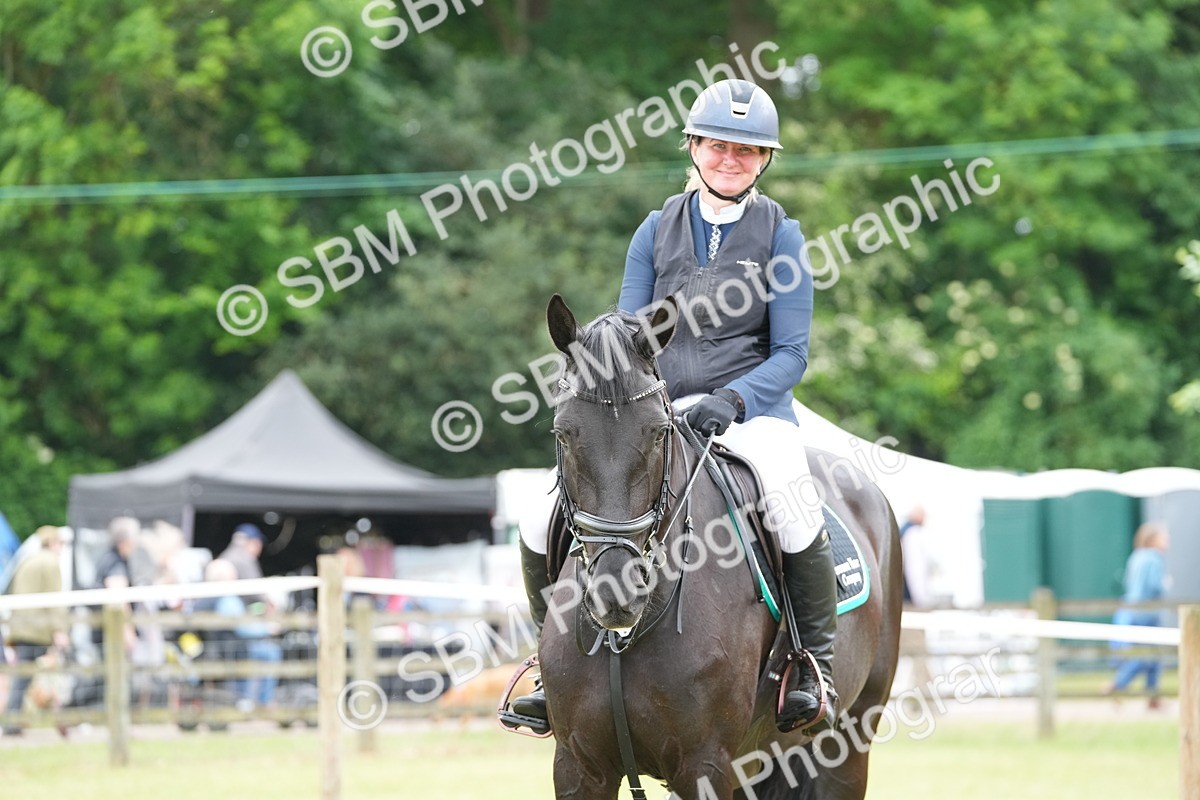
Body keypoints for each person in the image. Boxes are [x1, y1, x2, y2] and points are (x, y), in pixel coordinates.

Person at [513, 79, 837, 733]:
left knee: (791, 503)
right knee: (535, 513)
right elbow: (633, 335)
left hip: (753, 415)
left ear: (764, 160)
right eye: (719, 146)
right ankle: (553, 668)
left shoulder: (783, 235)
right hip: (657, 411)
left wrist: (733, 399)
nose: (730, 160)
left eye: (747, 152)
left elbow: (792, 353)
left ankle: (811, 664)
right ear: (693, 146)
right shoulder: (655, 229)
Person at [3, 525, 69, 735]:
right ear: (53, 543)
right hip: (37, 630)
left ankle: (15, 720)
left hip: (22, 627)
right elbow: (54, 600)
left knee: (26, 676)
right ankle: (60, 720)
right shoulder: (49, 562)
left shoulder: (28, 560)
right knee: (46, 675)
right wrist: (59, 630)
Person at [1105, 522, 1170, 708]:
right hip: (1147, 613)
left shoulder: (1136, 557)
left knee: (1149, 654)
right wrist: (1165, 584)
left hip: (1131, 611)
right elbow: (1155, 586)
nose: (1167, 541)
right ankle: (1118, 685)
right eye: (1164, 537)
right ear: (1153, 539)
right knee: (1147, 655)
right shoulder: (1154, 558)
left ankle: (1152, 696)